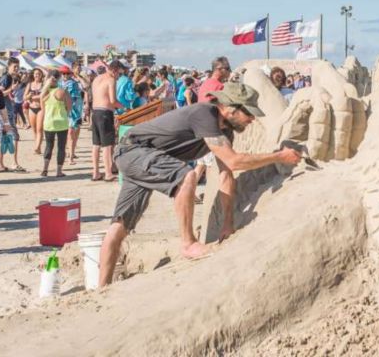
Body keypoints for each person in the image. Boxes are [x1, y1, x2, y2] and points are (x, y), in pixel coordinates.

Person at [98, 82, 302, 286]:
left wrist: (227, 224)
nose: (252, 119)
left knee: (120, 226)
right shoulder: (205, 114)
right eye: (249, 113)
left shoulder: (224, 132)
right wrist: (279, 156)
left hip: (139, 156)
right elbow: (235, 161)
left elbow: (226, 174)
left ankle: (101, 288)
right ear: (231, 108)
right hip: (134, 150)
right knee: (186, 176)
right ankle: (188, 243)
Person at [194, 56, 232, 183]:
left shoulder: (206, 83)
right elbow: (221, 110)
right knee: (211, 166)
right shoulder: (219, 86)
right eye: (227, 69)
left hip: (200, 129)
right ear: (219, 69)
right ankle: (210, 195)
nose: (229, 71)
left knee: (201, 164)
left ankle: (188, 190)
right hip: (211, 130)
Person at [91, 60, 123, 181]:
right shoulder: (111, 80)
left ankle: (95, 172)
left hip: (95, 112)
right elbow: (113, 101)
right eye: (119, 74)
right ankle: (108, 173)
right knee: (107, 145)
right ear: (114, 70)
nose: (119, 77)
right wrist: (124, 107)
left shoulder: (97, 78)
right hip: (105, 113)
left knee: (96, 145)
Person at [41, 70, 71, 177]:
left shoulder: (44, 92)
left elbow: (43, 109)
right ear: (59, 79)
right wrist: (64, 114)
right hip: (61, 121)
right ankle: (58, 171)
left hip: (48, 122)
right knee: (61, 147)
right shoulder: (63, 91)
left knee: (49, 145)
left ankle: (45, 169)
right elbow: (69, 107)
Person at [0, 57, 25, 172]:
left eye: (17, 67)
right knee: (14, 136)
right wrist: (12, 89)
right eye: (14, 67)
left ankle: (0, 164)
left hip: (6, 111)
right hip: (5, 112)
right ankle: (13, 163)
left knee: (3, 137)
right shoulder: (6, 78)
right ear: (9, 66)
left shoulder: (8, 77)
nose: (16, 69)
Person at [59, 65, 83, 164]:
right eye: (63, 73)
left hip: (73, 112)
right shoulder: (59, 83)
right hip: (62, 111)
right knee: (65, 134)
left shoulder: (74, 83)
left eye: (67, 73)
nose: (65, 75)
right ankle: (68, 154)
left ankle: (71, 157)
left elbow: (75, 98)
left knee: (70, 134)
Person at [24, 68, 45, 154]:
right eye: (35, 74)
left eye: (39, 74)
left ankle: (37, 147)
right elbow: (24, 97)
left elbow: (43, 96)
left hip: (41, 108)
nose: (37, 75)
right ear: (33, 75)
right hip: (32, 108)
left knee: (40, 129)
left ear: (41, 75)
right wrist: (29, 96)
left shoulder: (43, 84)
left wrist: (31, 97)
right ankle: (38, 147)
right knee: (34, 130)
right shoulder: (30, 84)